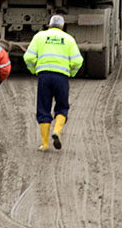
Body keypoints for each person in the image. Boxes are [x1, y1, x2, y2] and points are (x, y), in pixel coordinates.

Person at [24, 15, 83, 151]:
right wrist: (71, 73)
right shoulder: (68, 39)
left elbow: (28, 57)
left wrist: (34, 70)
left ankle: (45, 144)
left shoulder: (39, 37)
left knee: (43, 108)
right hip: (61, 77)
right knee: (62, 107)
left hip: (44, 76)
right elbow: (77, 61)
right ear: (62, 26)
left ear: (49, 25)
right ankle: (57, 131)